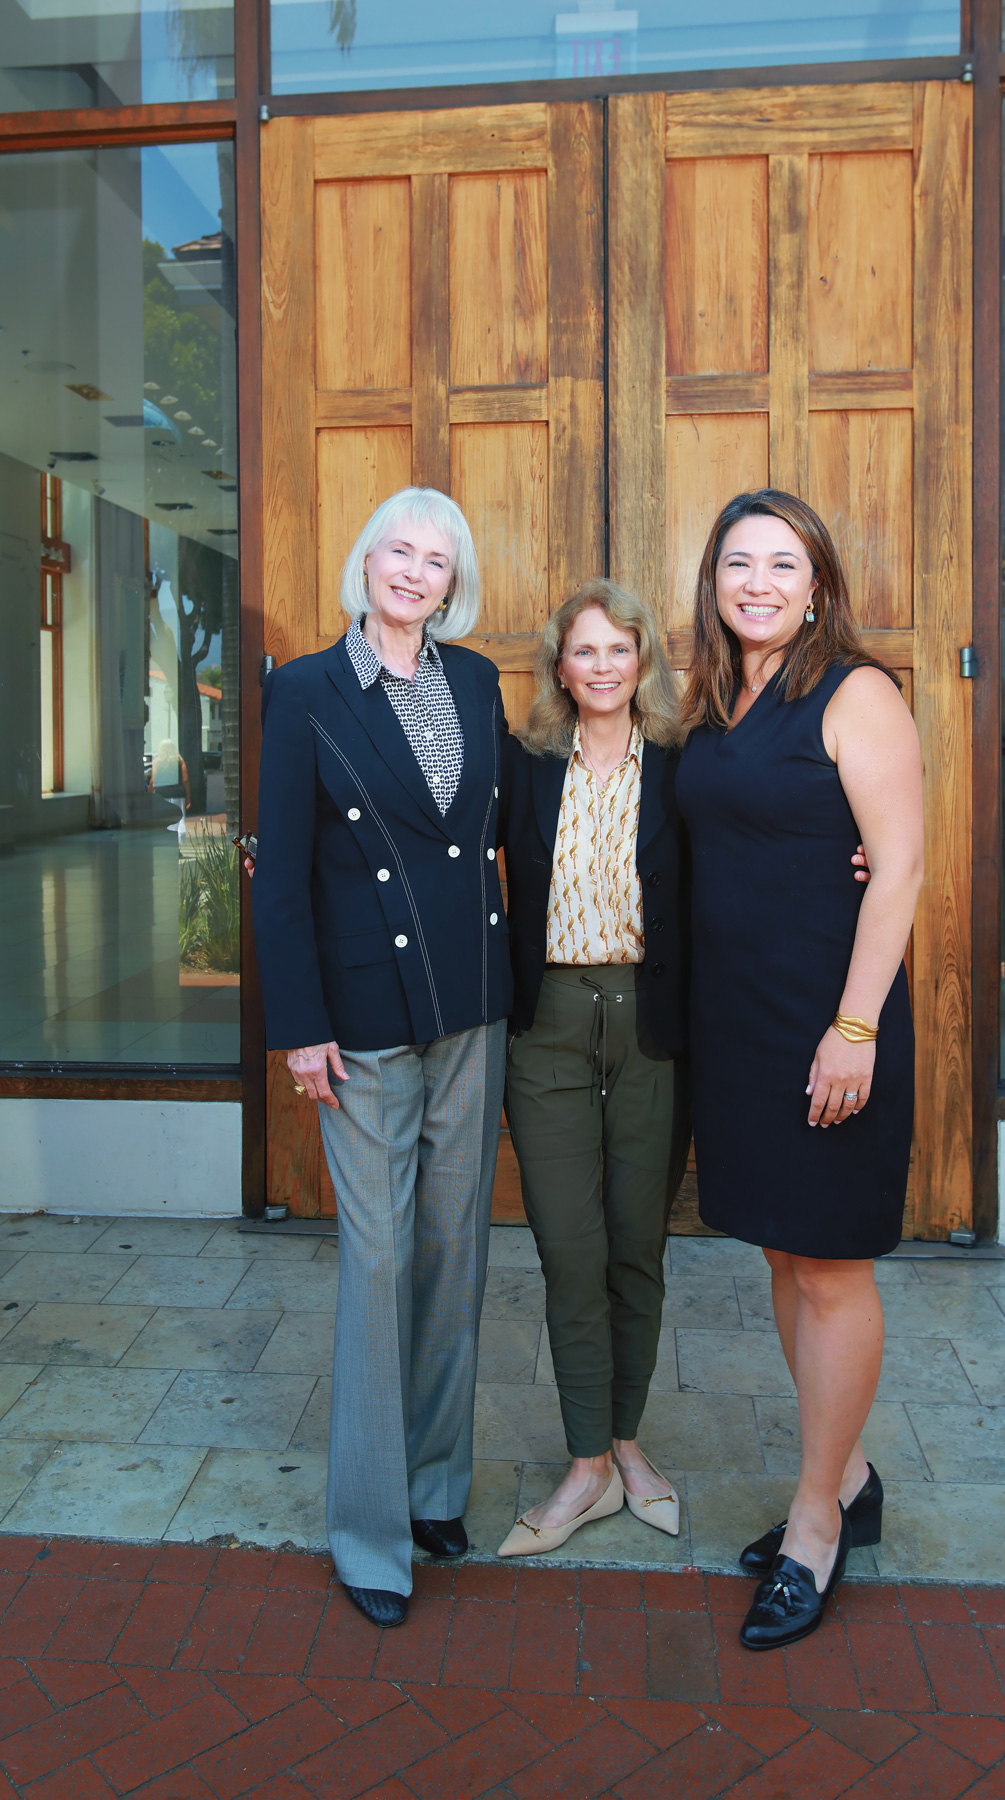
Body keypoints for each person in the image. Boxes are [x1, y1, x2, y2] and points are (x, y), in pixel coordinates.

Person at [251, 486, 511, 1629]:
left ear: (454, 583)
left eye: (437, 560)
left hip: (473, 1004)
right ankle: (368, 1531)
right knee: (376, 1257)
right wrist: (298, 1025)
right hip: (358, 1019)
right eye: (398, 551)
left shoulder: (476, 682)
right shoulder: (305, 689)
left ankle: (436, 1487)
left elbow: (526, 823)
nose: (415, 572)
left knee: (456, 1249)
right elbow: (280, 874)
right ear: (364, 563)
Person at [675, 489, 922, 1652]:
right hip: (742, 1025)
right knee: (784, 1249)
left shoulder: (856, 690)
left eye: (783, 562)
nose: (759, 581)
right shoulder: (722, 698)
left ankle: (817, 1519)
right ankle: (852, 1469)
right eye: (739, 562)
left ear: (817, 582)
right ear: (714, 581)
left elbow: (905, 867)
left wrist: (857, 1029)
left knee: (831, 1268)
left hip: (831, 1018)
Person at [496, 580, 691, 1555]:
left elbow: (751, 857)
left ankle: (627, 1445)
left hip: (650, 1022)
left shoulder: (687, 768)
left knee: (633, 1245)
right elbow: (439, 846)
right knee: (568, 1247)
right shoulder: (525, 766)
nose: (604, 666)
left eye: (621, 649)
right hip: (550, 1024)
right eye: (586, 651)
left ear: (643, 660)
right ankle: (585, 1464)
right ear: (560, 667)